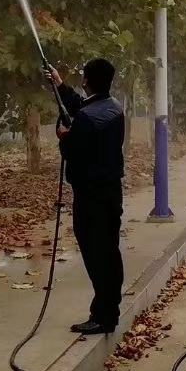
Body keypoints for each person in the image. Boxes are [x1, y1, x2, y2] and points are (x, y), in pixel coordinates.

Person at [48, 59, 126, 335]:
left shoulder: (88, 117)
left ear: (86, 80)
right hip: (110, 194)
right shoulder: (113, 107)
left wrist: (63, 137)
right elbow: (82, 107)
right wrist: (59, 85)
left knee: (97, 256)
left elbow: (73, 149)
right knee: (109, 253)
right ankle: (109, 309)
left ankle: (103, 316)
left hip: (91, 197)